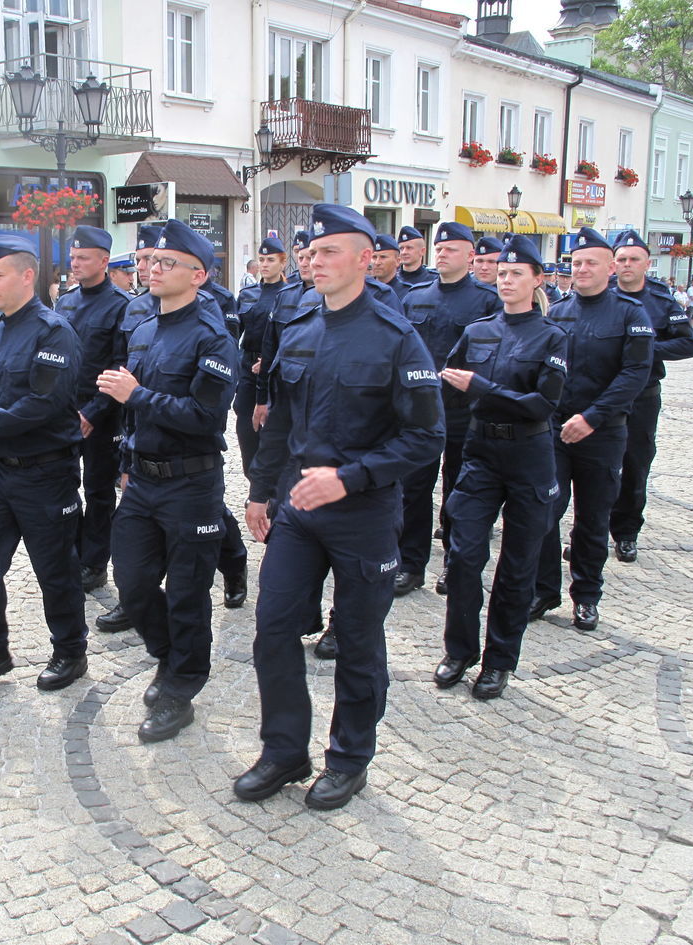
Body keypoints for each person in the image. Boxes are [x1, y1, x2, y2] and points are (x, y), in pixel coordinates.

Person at [241, 204, 444, 810]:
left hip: (363, 515)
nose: (313, 261)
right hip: (298, 512)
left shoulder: (395, 337)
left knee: (357, 640)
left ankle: (350, 758)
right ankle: (284, 750)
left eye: (329, 252)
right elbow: (280, 421)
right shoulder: (300, 327)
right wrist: (259, 490)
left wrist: (351, 478)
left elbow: (426, 438)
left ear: (363, 260)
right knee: (273, 630)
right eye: (311, 252)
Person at [100, 218, 240, 743]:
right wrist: (125, 459)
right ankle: (169, 658)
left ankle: (181, 686)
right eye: (149, 262)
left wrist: (135, 395)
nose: (153, 270)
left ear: (198, 275)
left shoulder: (213, 339)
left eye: (167, 264)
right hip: (142, 481)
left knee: (186, 593)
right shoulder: (143, 330)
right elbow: (132, 414)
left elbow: (204, 417)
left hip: (191, 484)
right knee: (133, 587)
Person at [0, 232, 89, 693]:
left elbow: (42, 404)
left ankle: (70, 652)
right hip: (2, 472)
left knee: (55, 570)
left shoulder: (53, 331)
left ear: (27, 276)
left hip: (47, 474)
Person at [436, 235, 569, 700]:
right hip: (481, 453)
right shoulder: (479, 330)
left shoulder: (552, 337)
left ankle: (498, 660)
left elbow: (541, 405)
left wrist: (483, 388)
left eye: (517, 274)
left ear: (537, 280)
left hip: (529, 458)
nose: (507, 280)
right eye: (503, 273)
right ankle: (460, 651)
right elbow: (448, 386)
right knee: (464, 555)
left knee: (516, 566)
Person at [531, 227, 654, 632]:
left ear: (610, 268)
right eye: (577, 263)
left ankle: (585, 595)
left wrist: (592, 418)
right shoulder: (559, 311)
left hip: (602, 431)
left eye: (590, 263)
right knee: (545, 510)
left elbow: (634, 374)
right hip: (555, 429)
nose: (581, 269)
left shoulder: (630, 313)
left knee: (592, 518)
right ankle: (544, 589)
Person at [395, 221, 500, 597]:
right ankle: (410, 564)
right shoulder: (415, 297)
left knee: (461, 491)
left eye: (451, 249)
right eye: (439, 249)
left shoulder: (487, 301)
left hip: (464, 412)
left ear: (470, 256)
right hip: (420, 411)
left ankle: (455, 564)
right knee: (413, 490)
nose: (442, 254)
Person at [607, 230, 693, 561]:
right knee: (599, 466)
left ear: (647, 264)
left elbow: (688, 342)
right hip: (602, 392)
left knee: (634, 463)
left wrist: (645, 349)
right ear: (613, 264)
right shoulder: (601, 296)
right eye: (622, 259)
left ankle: (627, 531)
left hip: (641, 395)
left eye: (634, 259)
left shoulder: (660, 300)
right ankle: (592, 531)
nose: (628, 264)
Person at [55, 225, 131, 594]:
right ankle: (71, 551)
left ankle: (94, 562)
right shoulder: (65, 302)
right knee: (64, 486)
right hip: (64, 411)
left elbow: (121, 366)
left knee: (99, 490)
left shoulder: (120, 306)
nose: (75, 264)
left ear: (104, 261)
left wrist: (93, 411)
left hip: (101, 415)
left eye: (83, 258)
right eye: (73, 257)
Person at [234, 235, 286, 479]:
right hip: (248, 366)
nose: (265, 265)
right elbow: (235, 333)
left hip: (274, 369)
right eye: (262, 259)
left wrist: (270, 360)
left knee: (272, 428)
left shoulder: (289, 294)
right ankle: (252, 479)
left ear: (283, 263)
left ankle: (271, 487)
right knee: (245, 426)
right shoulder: (247, 294)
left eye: (271, 260)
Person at [370, 234, 410, 305]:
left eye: (383, 257)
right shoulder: (364, 290)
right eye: (374, 257)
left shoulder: (408, 293)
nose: (377, 262)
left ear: (398, 261)